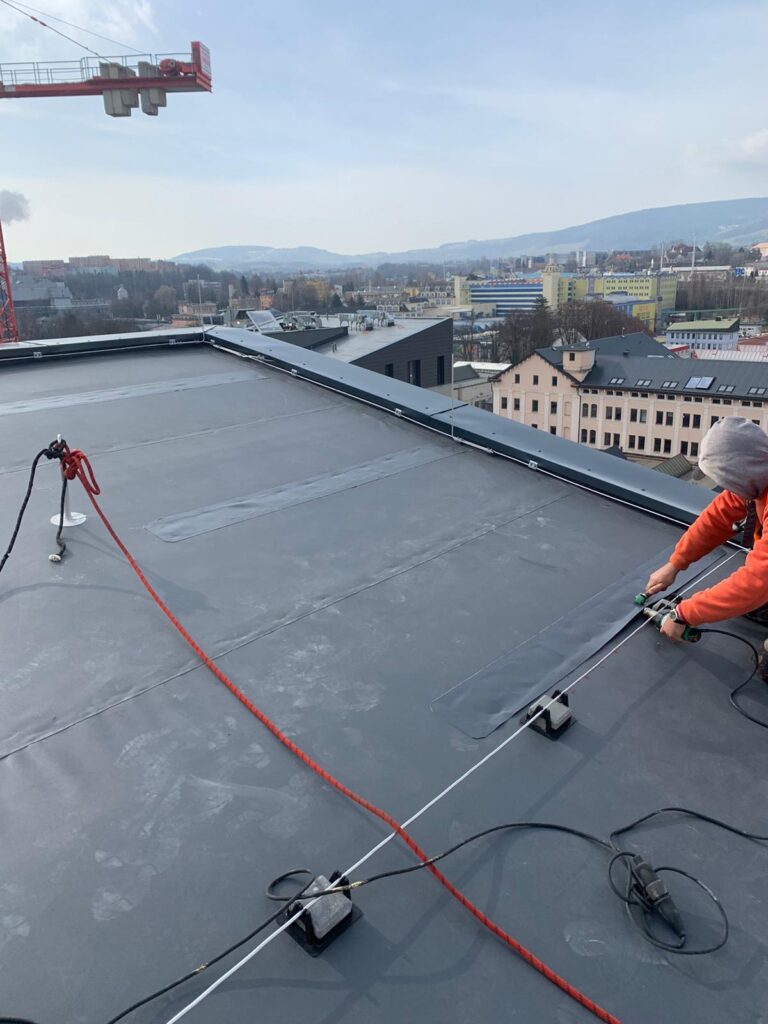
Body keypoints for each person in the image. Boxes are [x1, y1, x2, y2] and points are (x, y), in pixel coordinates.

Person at [645, 416, 768, 643]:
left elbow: (759, 581)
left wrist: (683, 614)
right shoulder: (758, 479)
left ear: (743, 473)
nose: (727, 488)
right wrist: (676, 563)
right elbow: (717, 519)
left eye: (727, 481)